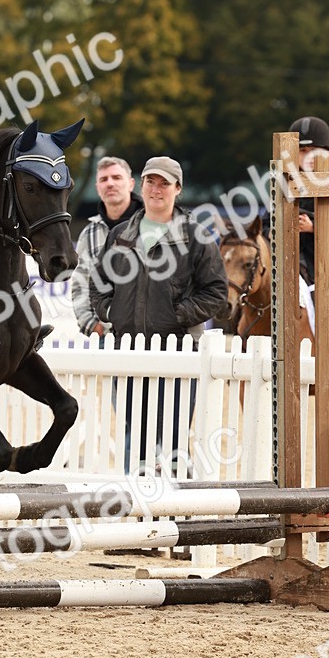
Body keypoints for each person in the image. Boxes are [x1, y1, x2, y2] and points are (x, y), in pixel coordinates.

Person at [91, 156, 228, 474]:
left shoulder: (197, 238)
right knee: (136, 437)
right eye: (150, 181)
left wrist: (176, 315)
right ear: (140, 185)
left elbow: (217, 293)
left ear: (178, 189)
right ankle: (135, 512)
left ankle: (177, 511)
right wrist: (112, 313)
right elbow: (98, 286)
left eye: (164, 183)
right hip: (127, 352)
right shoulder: (120, 235)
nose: (156, 189)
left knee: (171, 441)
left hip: (178, 354)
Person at [70, 156, 142, 335]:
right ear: (97, 188)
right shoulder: (89, 234)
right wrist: (92, 325)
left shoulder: (150, 225)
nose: (110, 183)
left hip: (150, 333)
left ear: (131, 184)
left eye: (116, 177)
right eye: (103, 179)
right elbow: (80, 284)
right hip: (105, 336)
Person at [289, 115, 329, 285]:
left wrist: (314, 227)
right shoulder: (286, 184)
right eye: (302, 151)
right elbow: (267, 221)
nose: (308, 157)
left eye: (314, 150)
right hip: (296, 267)